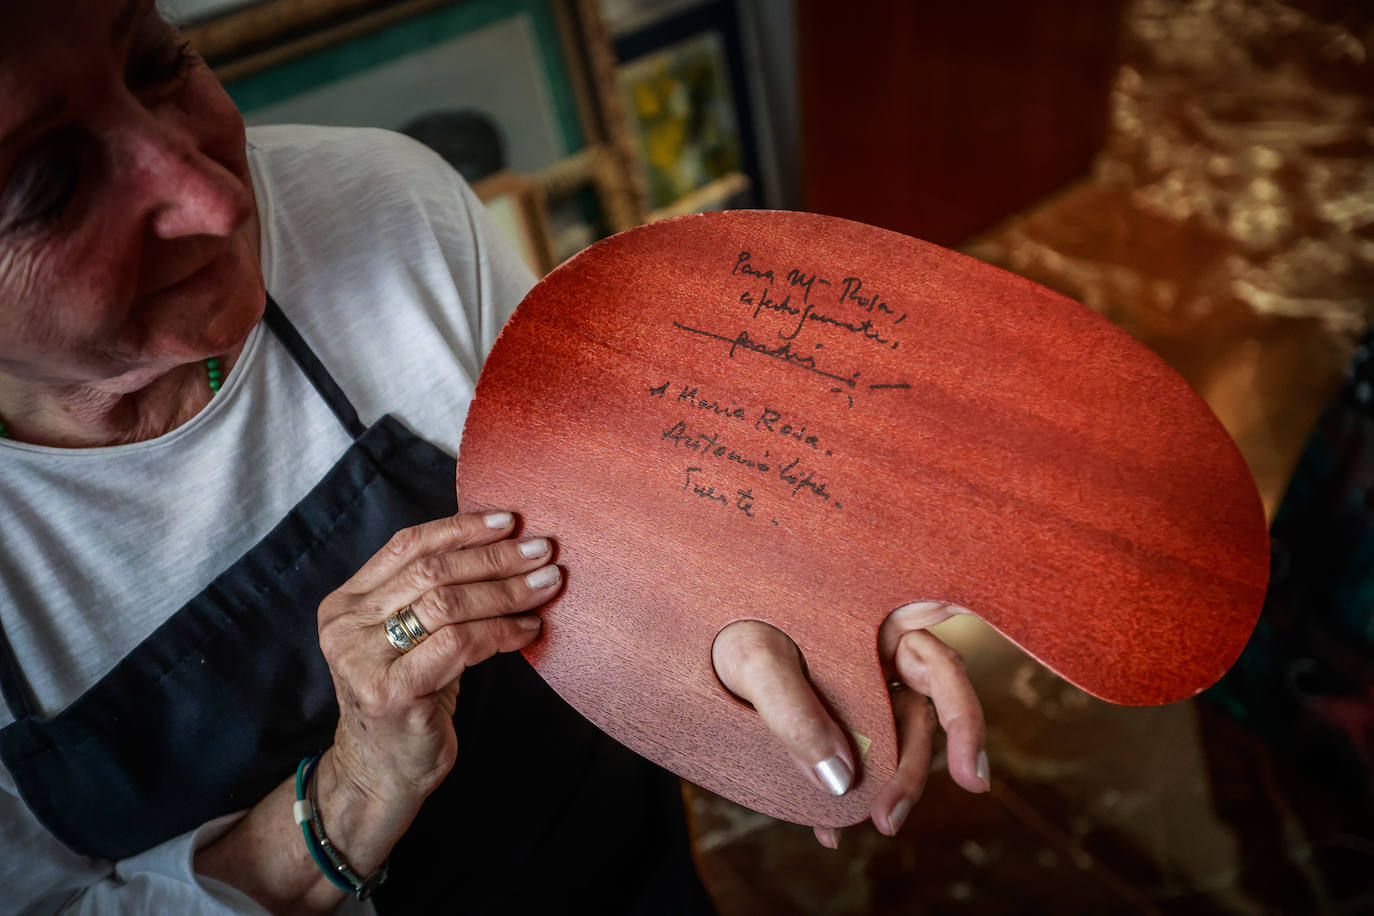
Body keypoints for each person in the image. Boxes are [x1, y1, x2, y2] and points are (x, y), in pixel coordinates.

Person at [0, 1, 989, 913]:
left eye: (159, 62)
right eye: (50, 184)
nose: (213, 198)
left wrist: (754, 590)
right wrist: (353, 792)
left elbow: (629, 516)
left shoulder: (382, 210)